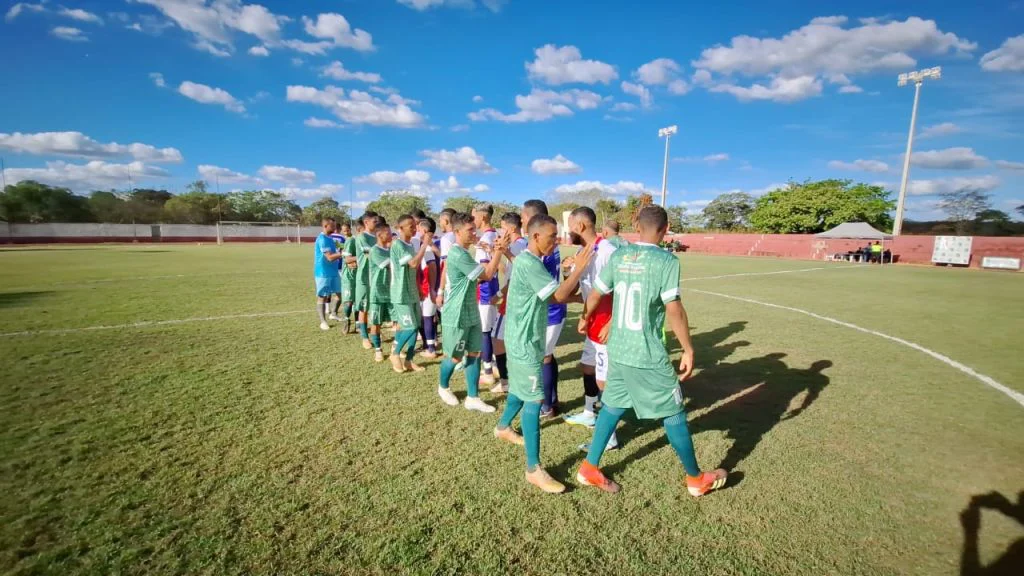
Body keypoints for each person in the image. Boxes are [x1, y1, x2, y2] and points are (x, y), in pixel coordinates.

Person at [575, 206, 728, 497]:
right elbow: (673, 308)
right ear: (666, 227)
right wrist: (688, 348)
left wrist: (584, 317)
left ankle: (589, 468)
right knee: (674, 412)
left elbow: (596, 293)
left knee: (613, 405)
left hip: (618, 348)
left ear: (636, 224)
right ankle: (696, 479)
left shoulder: (620, 255)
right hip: (646, 352)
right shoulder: (666, 260)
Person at [494, 213, 593, 493]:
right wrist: (579, 269)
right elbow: (558, 296)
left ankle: (503, 427)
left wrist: (584, 297)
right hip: (524, 342)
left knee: (520, 390)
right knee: (535, 401)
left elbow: (552, 296)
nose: (556, 241)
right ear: (535, 236)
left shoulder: (530, 261)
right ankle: (533, 469)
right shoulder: (529, 262)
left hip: (526, 339)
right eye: (552, 236)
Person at [436, 212, 506, 413]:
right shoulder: (457, 254)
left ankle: (473, 397)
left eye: (474, 228)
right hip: (456, 314)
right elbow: (487, 274)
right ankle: (443, 386)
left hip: (471, 310)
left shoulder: (466, 253)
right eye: (469, 230)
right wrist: (499, 251)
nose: (473, 232)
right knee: (455, 356)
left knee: (474, 354)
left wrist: (491, 250)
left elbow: (485, 271)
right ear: (457, 232)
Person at [563, 207, 620, 452]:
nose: (568, 231)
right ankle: (589, 412)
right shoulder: (581, 251)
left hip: (605, 323)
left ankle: (611, 437)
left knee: (604, 381)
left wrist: (612, 321)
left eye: (571, 226)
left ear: (581, 226)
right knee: (587, 367)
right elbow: (586, 289)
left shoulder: (608, 251)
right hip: (591, 322)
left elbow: (623, 289)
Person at [521, 199, 566, 419]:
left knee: (544, 358)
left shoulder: (544, 249)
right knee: (547, 356)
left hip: (551, 310)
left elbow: (535, 274)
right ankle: (552, 401)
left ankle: (546, 405)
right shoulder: (550, 245)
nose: (521, 221)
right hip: (550, 309)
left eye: (523, 217)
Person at [390, 214, 432, 373]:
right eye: (411, 226)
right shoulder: (398, 245)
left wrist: (419, 288)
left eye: (415, 226)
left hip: (412, 291)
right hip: (400, 293)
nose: (414, 229)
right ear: (400, 228)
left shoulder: (409, 245)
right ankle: (395, 354)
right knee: (410, 326)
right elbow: (413, 263)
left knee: (416, 327)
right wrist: (424, 245)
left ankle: (409, 360)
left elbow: (411, 271)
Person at [491, 212, 527, 394]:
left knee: (497, 340)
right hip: (516, 300)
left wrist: (497, 294)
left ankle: (505, 381)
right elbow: (507, 269)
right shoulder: (519, 245)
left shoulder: (518, 246)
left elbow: (514, 278)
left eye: (503, 226)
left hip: (511, 300)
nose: (500, 230)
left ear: (511, 228)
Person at [472, 204, 499, 384]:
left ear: (482, 217)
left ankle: (488, 371)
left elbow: (483, 267)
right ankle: (494, 366)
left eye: (473, 217)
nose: (472, 220)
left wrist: (470, 278)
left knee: (484, 331)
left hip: (485, 289)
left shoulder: (485, 238)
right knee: (490, 328)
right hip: (494, 286)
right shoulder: (494, 234)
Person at [349, 211, 379, 349]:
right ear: (366, 222)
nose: (377, 224)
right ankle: (364, 337)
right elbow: (371, 253)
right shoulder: (361, 237)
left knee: (375, 308)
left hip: (377, 278)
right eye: (374, 221)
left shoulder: (377, 236)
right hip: (364, 278)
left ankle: (374, 336)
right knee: (364, 308)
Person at [367, 219, 392, 363]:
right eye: (387, 232)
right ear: (379, 234)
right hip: (377, 292)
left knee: (397, 321)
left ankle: (396, 349)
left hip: (391, 291)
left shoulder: (390, 249)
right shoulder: (375, 250)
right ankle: (378, 350)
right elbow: (386, 264)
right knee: (376, 323)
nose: (390, 235)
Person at [314, 218, 345, 331]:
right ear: (326, 226)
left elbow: (339, 249)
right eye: (332, 226)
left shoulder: (330, 238)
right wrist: (342, 254)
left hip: (333, 271)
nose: (335, 228)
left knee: (340, 294)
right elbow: (329, 257)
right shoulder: (322, 239)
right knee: (323, 297)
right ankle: (323, 321)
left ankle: (333, 313)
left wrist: (344, 248)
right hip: (323, 272)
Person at [417, 217, 441, 358]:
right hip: (433, 287)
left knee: (427, 317)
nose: (417, 231)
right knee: (429, 317)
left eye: (418, 228)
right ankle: (430, 344)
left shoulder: (427, 247)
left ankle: (431, 348)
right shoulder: (430, 244)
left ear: (424, 230)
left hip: (429, 288)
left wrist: (430, 288)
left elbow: (431, 267)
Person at [340, 220, 360, 333]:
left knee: (354, 300)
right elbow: (347, 258)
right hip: (350, 274)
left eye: (347, 230)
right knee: (351, 300)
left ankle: (354, 323)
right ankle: (348, 322)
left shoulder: (352, 240)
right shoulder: (349, 241)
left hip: (353, 274)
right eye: (343, 230)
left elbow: (348, 259)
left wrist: (359, 258)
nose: (345, 232)